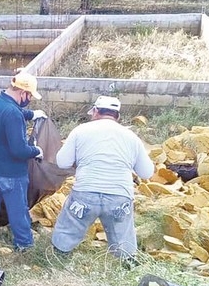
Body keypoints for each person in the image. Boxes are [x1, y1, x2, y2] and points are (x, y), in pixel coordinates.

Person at [51, 96, 154, 261]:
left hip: (85, 193)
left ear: (96, 112)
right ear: (117, 116)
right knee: (123, 238)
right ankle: (127, 265)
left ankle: (58, 259)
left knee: (68, 229)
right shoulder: (132, 138)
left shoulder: (80, 131)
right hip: (119, 196)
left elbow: (62, 162)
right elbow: (147, 173)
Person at [0, 72, 48, 252]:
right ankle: (24, 244)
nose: (30, 99)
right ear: (22, 92)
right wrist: (37, 151)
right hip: (12, 173)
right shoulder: (12, 113)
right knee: (18, 210)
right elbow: (19, 150)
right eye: (30, 95)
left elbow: (12, 113)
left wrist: (32, 114)